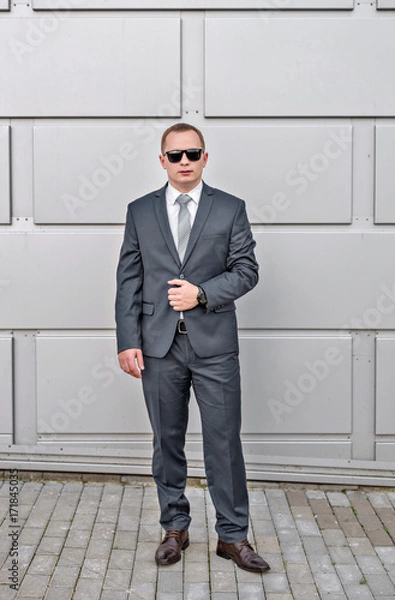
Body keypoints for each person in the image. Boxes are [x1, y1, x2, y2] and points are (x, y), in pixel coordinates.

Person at [115, 123, 269, 573]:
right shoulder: (140, 211)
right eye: (175, 155)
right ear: (162, 161)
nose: (185, 162)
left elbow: (246, 269)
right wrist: (128, 341)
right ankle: (174, 529)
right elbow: (129, 279)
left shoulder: (230, 208)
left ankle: (233, 537)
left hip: (215, 347)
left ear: (205, 157)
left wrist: (201, 293)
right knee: (166, 442)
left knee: (224, 443)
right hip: (158, 345)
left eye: (193, 153)